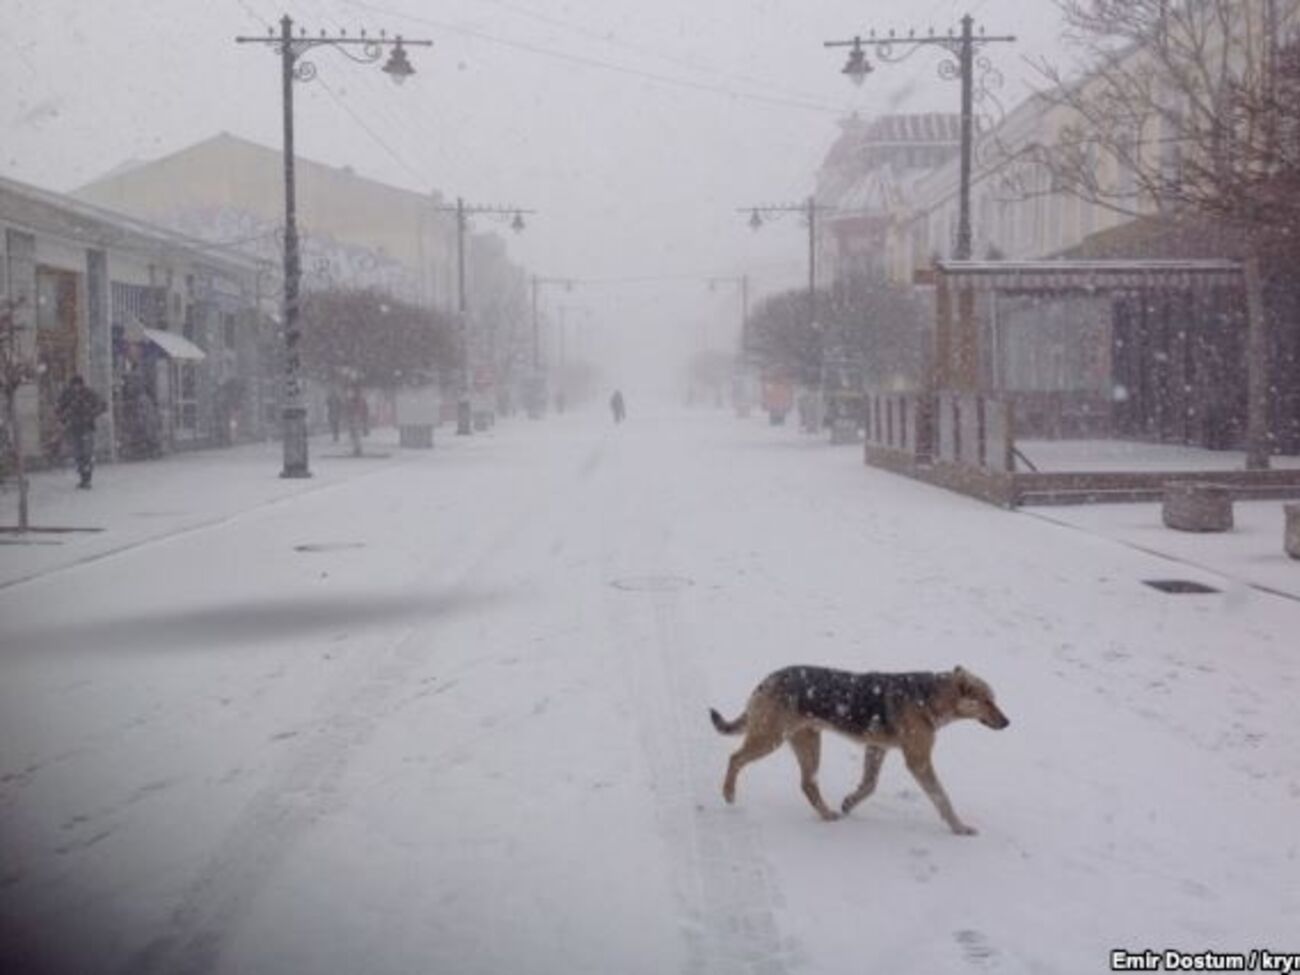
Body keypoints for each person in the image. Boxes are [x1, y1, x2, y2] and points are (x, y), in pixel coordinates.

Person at [56, 375, 107, 488]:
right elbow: (59, 408)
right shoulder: (67, 395)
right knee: (78, 453)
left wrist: (90, 414)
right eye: (74, 385)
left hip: (86, 427)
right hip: (74, 427)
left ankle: (87, 477)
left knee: (86, 453)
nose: (76, 388)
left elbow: (102, 405)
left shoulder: (88, 394)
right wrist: (64, 417)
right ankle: (83, 477)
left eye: (78, 385)